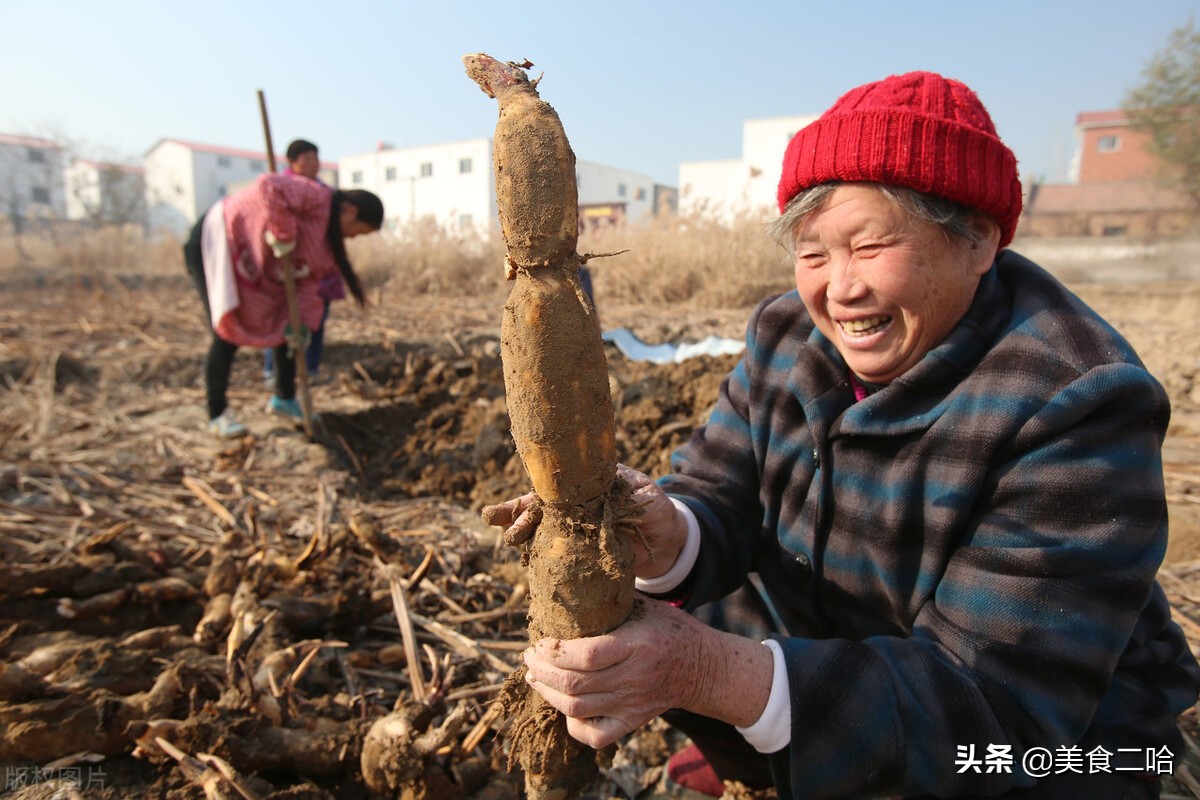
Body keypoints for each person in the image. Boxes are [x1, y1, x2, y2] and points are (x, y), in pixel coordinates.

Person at [491, 71, 1200, 798]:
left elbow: (998, 704)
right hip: (854, 644)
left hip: (1049, 734)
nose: (839, 289)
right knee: (668, 606)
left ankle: (810, 746)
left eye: (869, 246)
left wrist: (709, 674)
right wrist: (662, 528)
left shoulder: (1077, 399)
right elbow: (717, 489)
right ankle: (789, 755)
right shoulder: (786, 331)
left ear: (980, 239)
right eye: (812, 252)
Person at [183, 172, 382, 437]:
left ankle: (284, 399)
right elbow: (270, 185)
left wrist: (306, 326)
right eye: (359, 231)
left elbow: (309, 288)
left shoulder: (327, 247)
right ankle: (217, 414)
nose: (354, 238)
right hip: (219, 239)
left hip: (259, 265)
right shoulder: (316, 197)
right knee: (225, 330)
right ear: (351, 211)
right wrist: (283, 234)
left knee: (288, 323)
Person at [263, 139, 340, 385]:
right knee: (282, 322)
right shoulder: (282, 189)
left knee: (316, 318)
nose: (313, 165)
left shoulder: (324, 192)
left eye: (315, 159)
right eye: (307, 159)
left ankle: (310, 370)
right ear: (293, 162)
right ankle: (273, 372)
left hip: (318, 267)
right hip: (290, 268)